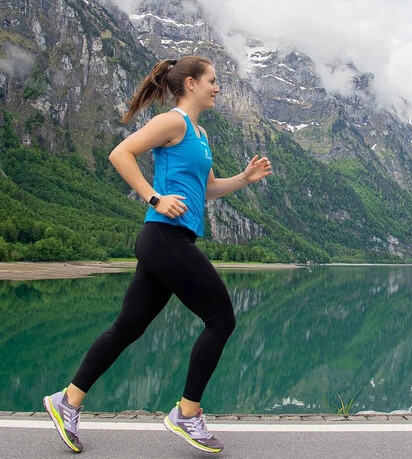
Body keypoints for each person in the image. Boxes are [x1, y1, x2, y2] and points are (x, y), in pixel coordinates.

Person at [42, 56, 272, 454]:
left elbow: (207, 188)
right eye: (213, 81)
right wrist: (154, 197)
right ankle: (187, 413)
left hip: (170, 242)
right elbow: (120, 154)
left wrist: (244, 179)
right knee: (221, 319)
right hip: (165, 238)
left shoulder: (199, 133)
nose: (218, 88)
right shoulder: (173, 122)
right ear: (190, 85)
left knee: (127, 327)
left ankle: (68, 401)